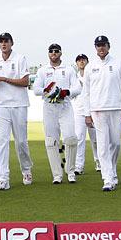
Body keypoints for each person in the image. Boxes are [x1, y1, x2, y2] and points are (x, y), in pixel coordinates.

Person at [82, 35, 121, 191]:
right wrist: (87, 113)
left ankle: (112, 170)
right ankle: (107, 179)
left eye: (103, 45)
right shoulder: (90, 67)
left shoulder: (118, 64)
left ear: (108, 46)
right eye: (98, 46)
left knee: (115, 143)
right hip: (97, 110)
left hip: (116, 108)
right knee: (102, 145)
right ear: (95, 48)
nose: (101, 48)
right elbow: (86, 92)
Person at [0, 32, 33, 190]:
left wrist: (3, 78)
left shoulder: (20, 58)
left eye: (6, 41)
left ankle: (26, 170)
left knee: (21, 142)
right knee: (1, 142)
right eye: (1, 42)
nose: (3, 44)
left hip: (19, 104)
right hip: (1, 105)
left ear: (11, 43)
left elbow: (25, 81)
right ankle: (3, 178)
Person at [32, 43, 81, 183]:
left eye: (56, 51)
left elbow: (77, 88)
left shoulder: (69, 69)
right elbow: (36, 89)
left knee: (70, 138)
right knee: (51, 141)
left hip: (65, 106)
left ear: (61, 53)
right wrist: (47, 91)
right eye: (51, 51)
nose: (54, 53)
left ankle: (71, 171)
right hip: (49, 107)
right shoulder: (42, 71)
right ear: (48, 53)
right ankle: (57, 175)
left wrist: (67, 92)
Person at [72, 53, 100, 174]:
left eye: (83, 60)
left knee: (95, 139)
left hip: (92, 110)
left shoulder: (93, 75)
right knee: (79, 139)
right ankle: (79, 166)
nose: (81, 62)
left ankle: (99, 161)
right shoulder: (74, 77)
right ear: (76, 63)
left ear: (87, 62)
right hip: (79, 110)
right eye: (79, 60)